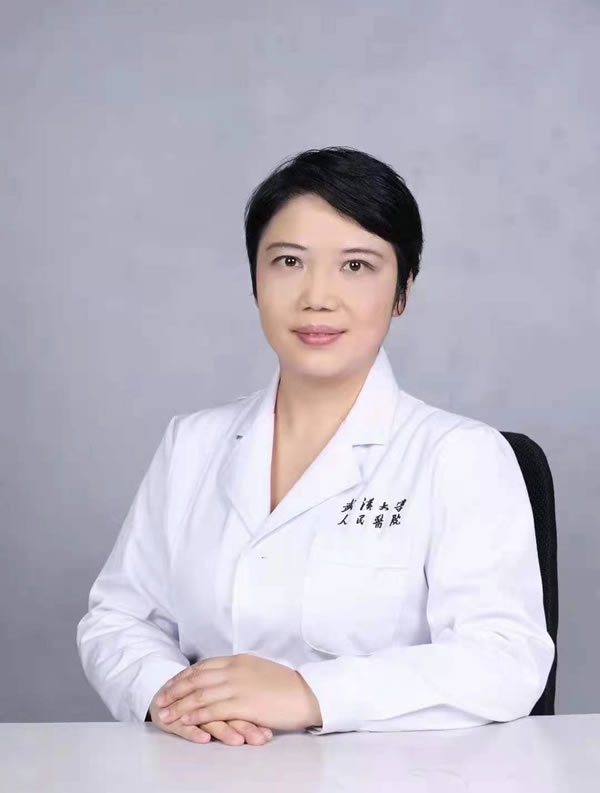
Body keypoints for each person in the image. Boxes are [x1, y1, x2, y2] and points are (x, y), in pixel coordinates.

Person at [77, 147, 555, 746]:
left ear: (403, 290)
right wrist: (178, 697)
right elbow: (119, 618)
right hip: (206, 768)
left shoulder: (462, 456)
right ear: (254, 280)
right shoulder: (191, 443)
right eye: (288, 261)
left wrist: (310, 694)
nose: (318, 297)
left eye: (356, 265)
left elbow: (506, 658)